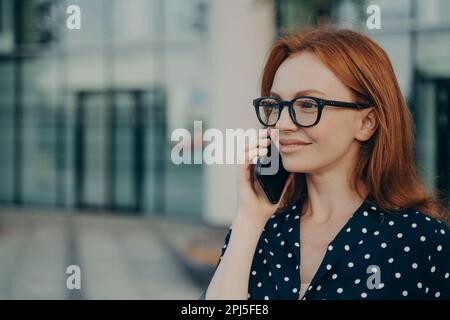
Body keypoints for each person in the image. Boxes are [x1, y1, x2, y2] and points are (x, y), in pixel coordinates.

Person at [202, 27, 450, 300]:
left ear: (366, 123)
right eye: (275, 105)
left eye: (307, 105)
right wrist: (249, 217)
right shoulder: (259, 230)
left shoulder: (421, 240)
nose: (282, 124)